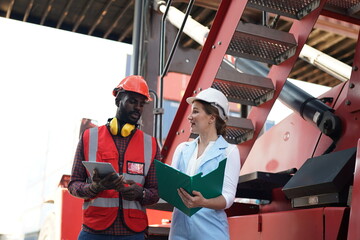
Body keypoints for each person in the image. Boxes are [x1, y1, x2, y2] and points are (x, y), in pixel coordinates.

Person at [68, 75, 160, 240]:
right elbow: (74, 184)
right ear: (118, 101)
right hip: (94, 231)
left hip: (132, 234)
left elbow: (156, 192)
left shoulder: (151, 145)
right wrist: (95, 187)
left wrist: (141, 193)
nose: (138, 108)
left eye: (141, 104)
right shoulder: (90, 138)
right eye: (132, 101)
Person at [169, 88, 241, 240]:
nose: (189, 117)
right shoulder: (182, 149)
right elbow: (169, 187)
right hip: (179, 232)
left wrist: (204, 202)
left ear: (212, 117)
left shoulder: (229, 152)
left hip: (211, 232)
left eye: (195, 111)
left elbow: (227, 198)